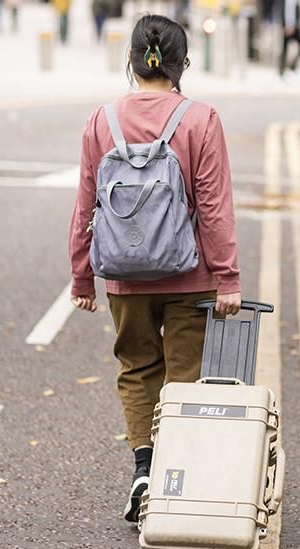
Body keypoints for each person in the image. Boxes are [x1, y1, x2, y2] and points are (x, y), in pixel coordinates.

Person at [68, 14, 241, 522]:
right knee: (183, 378)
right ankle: (173, 477)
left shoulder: (102, 121)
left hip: (124, 273)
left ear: (131, 62)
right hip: (189, 276)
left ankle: (143, 467)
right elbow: (213, 207)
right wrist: (227, 277)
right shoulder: (200, 118)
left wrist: (82, 276)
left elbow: (85, 207)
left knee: (138, 368)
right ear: (181, 64)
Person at [278, 0, 300, 77]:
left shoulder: (296, 2)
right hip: (286, 28)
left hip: (295, 28)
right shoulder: (283, 2)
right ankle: (281, 71)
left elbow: (298, 14)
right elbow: (281, 13)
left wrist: (296, 26)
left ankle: (292, 66)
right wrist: (284, 26)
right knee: (284, 49)